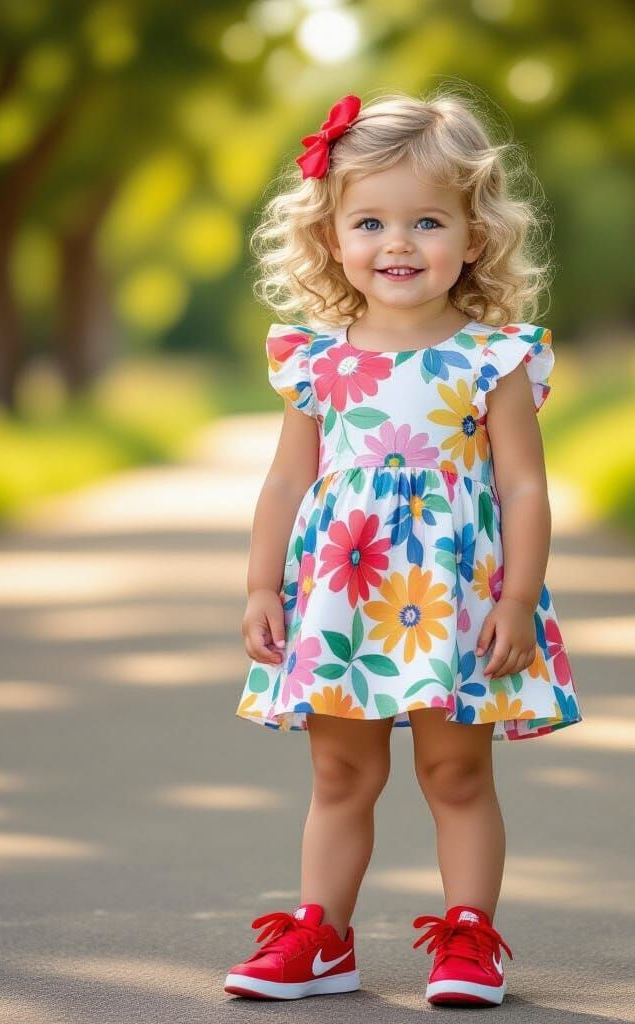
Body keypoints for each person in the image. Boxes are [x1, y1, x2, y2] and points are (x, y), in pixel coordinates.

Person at [224, 89, 582, 1007]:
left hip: (457, 596)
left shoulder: (490, 357)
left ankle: (469, 939)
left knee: (454, 771)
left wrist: (516, 600)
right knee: (342, 771)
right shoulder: (319, 357)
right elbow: (284, 482)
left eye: (428, 221)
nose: (398, 243)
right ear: (332, 236)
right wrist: (264, 585)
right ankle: (322, 938)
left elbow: (525, 488)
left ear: (474, 235)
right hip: (345, 597)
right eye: (371, 220)